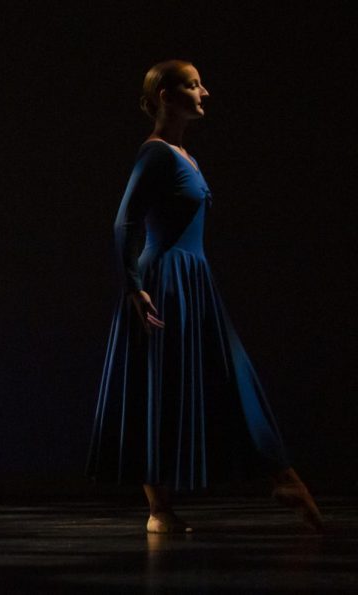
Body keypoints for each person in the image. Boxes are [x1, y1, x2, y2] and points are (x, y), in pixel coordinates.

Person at [86, 61, 323, 533]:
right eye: (193, 85)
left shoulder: (184, 156)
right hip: (164, 281)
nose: (204, 92)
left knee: (230, 375)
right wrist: (134, 286)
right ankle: (162, 509)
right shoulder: (155, 154)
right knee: (158, 383)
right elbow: (124, 222)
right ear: (167, 98)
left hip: (194, 281)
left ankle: (278, 475)